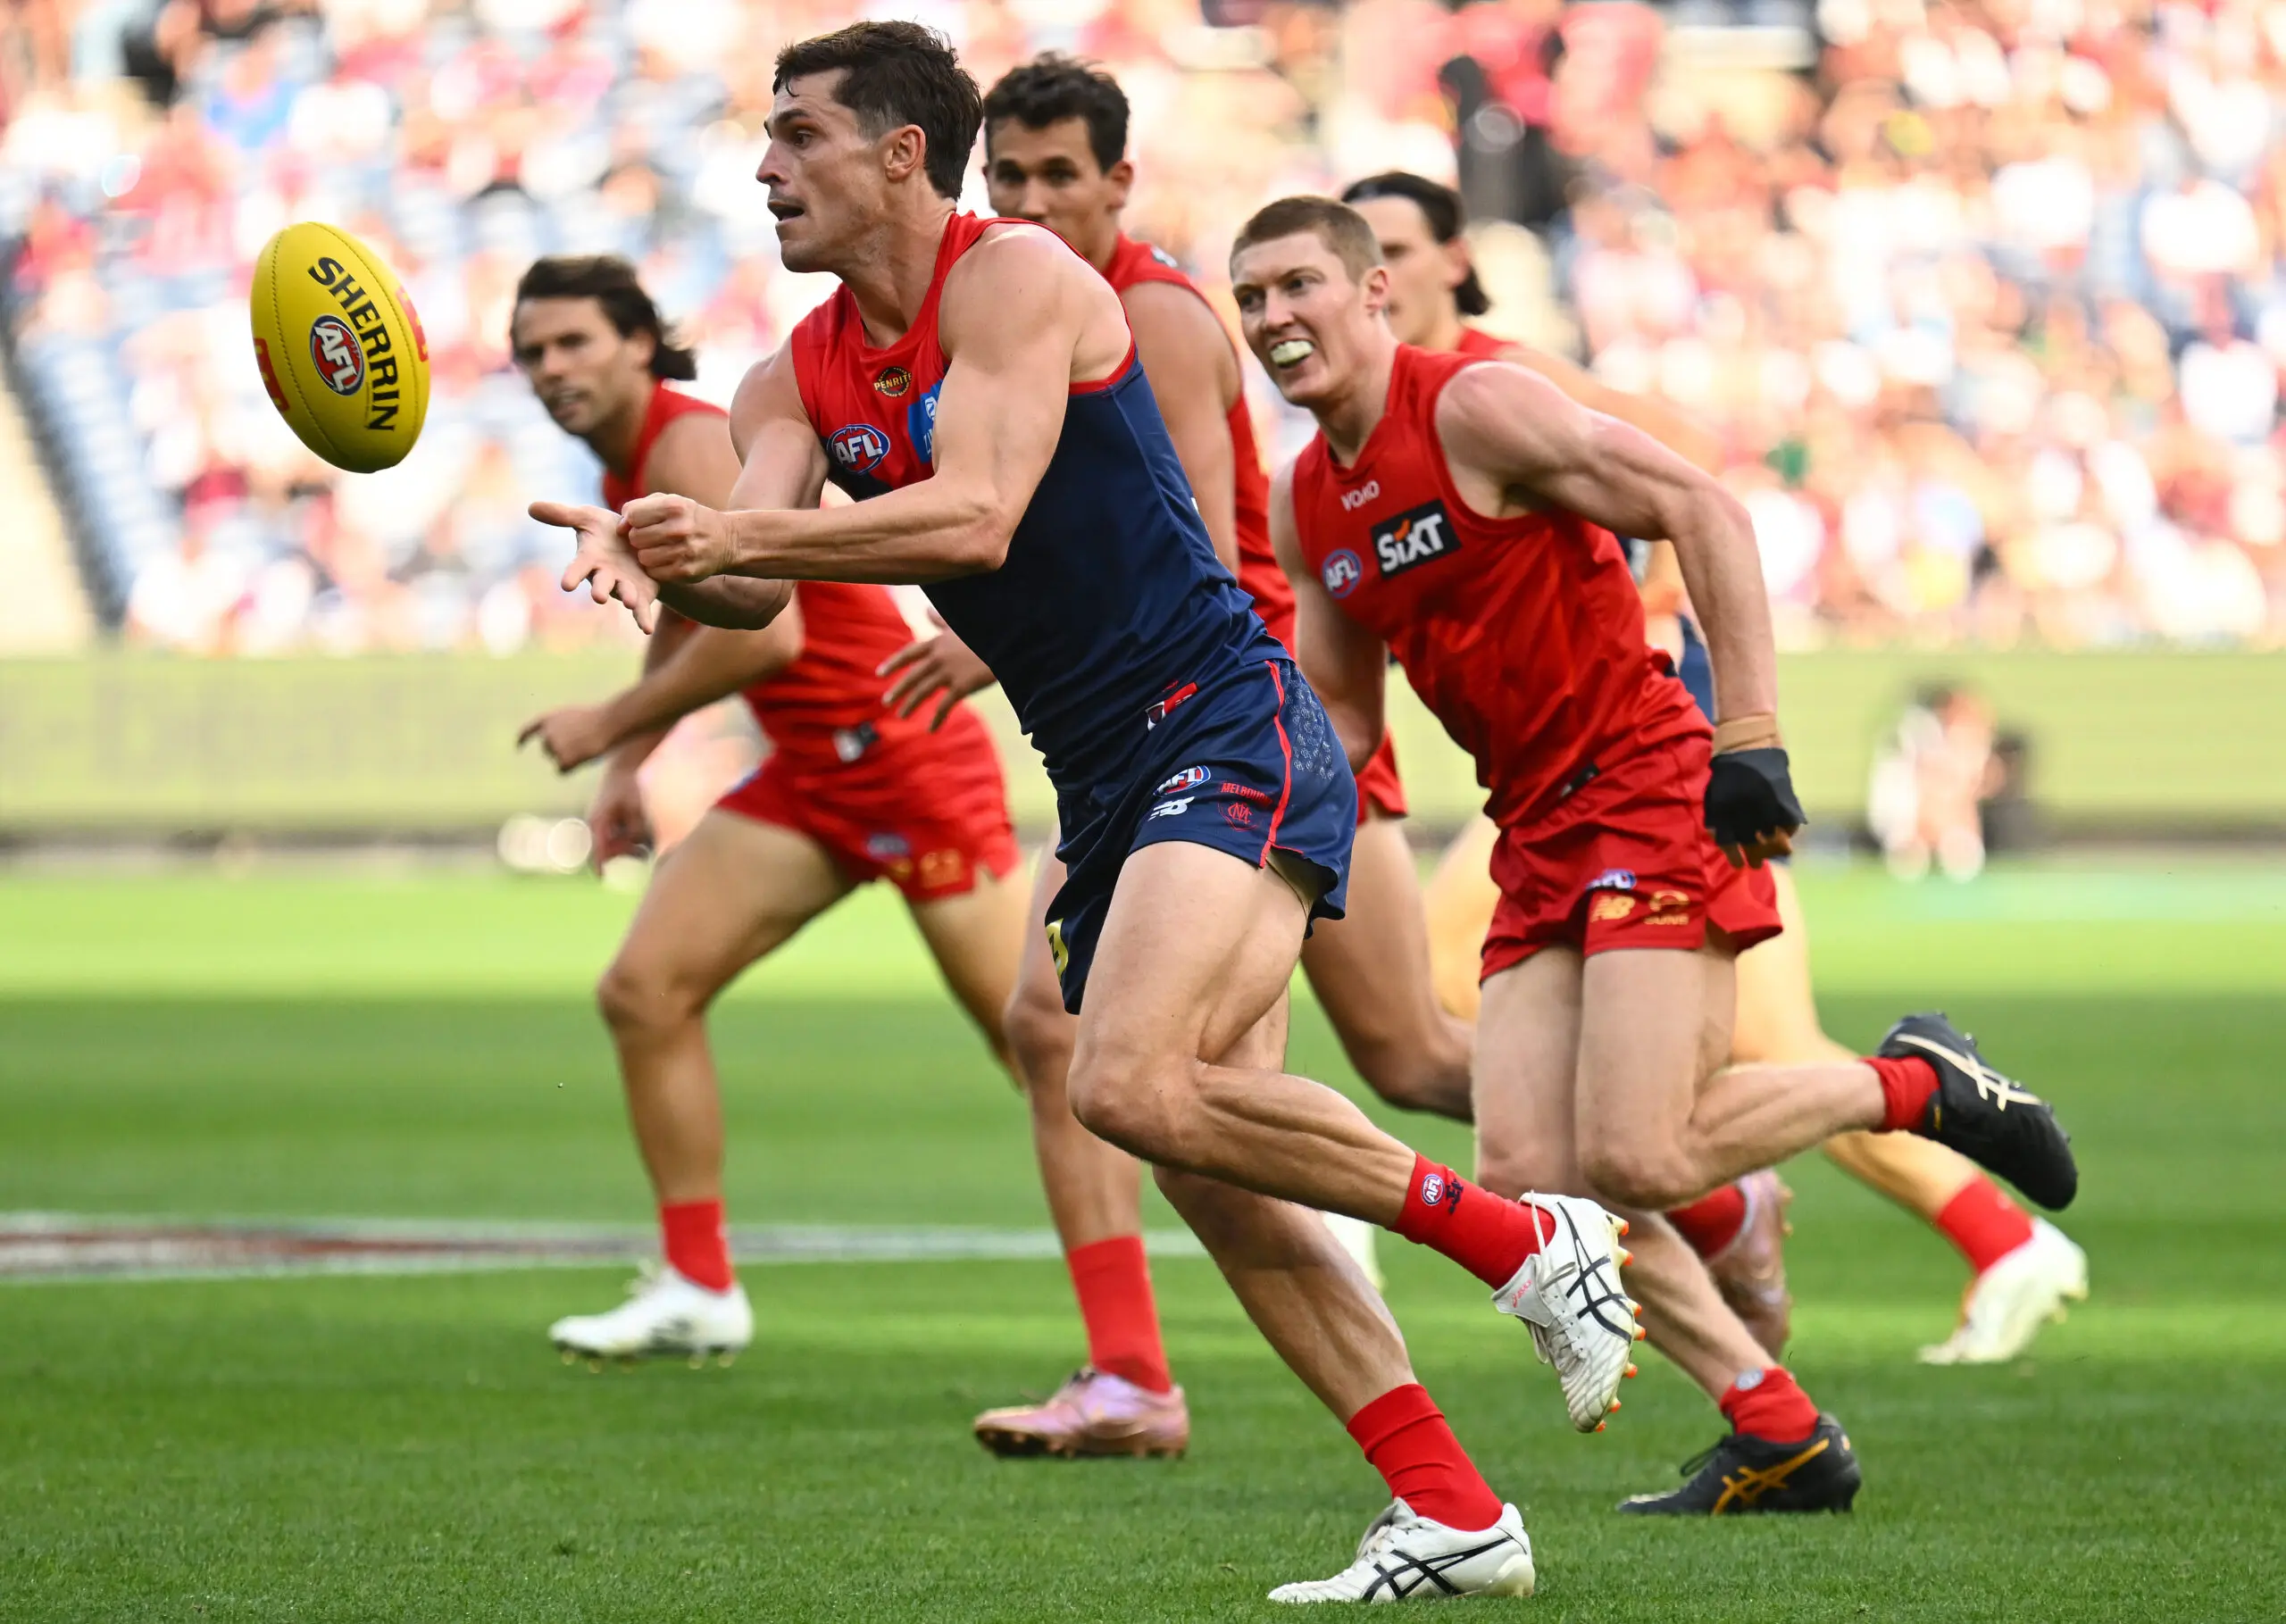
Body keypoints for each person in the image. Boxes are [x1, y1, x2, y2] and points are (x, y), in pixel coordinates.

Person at [537, 25, 1644, 1599]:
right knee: (1206, 1158)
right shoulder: (796, 366)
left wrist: (727, 530)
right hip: (1111, 772)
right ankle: (1454, 1509)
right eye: (765, 138)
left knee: (1119, 1075)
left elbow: (978, 516)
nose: (765, 166)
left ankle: (1523, 1240)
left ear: (901, 153)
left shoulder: (1026, 284)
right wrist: (663, 547)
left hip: (1224, 717)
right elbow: (761, 558)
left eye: (798, 136)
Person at [1232, 195, 2081, 1515]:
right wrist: (1248, 816)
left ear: (1375, 294)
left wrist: (1750, 730)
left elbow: (1702, 502)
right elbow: (1344, 715)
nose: (1275, 316)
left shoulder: (1472, 407)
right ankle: (1777, 1423)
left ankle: (1916, 1080)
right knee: (1532, 1177)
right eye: (1254, 298)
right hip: (1534, 823)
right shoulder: (1303, 500)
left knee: (1637, 1152)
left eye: (1298, 285)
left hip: (1647, 782)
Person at [877, 55, 1474, 1458]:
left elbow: (1190, 550)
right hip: (1159, 742)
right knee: (1144, 1064)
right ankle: (1160, 1373)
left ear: (1116, 185)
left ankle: (1640, 1181)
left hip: (1245, 725)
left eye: (1054, 176)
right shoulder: (996, 308)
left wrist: (992, 633)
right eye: (1005, 177)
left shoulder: (1143, 306)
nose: (1023, 198)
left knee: (1353, 1066)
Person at [508, 254, 1029, 1364]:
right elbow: (687, 615)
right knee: (645, 990)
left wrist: (606, 725)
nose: (551, 368)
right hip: (810, 771)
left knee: (1054, 1054)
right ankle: (698, 1285)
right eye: (532, 351)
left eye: (575, 343)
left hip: (900, 755)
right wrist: (628, 765)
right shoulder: (626, 460)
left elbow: (770, 628)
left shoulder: (690, 440)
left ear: (641, 345)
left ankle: (1275, 1183)